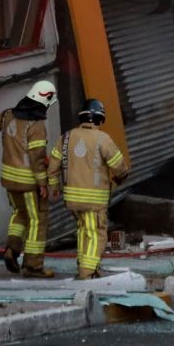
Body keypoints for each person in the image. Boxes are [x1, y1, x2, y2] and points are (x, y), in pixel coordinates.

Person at [51, 99, 127, 280]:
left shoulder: (66, 137)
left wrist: (54, 187)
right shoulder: (103, 139)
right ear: (100, 119)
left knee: (83, 231)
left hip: (72, 201)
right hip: (94, 201)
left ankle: (87, 267)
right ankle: (87, 273)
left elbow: (52, 166)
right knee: (95, 234)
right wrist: (119, 178)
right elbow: (120, 167)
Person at [0, 79, 59, 278]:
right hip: (28, 183)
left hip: (9, 181)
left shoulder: (8, 115)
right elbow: (37, 158)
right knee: (37, 220)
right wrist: (43, 183)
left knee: (20, 214)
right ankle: (33, 266)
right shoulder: (36, 125)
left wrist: (3, 116)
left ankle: (12, 249)